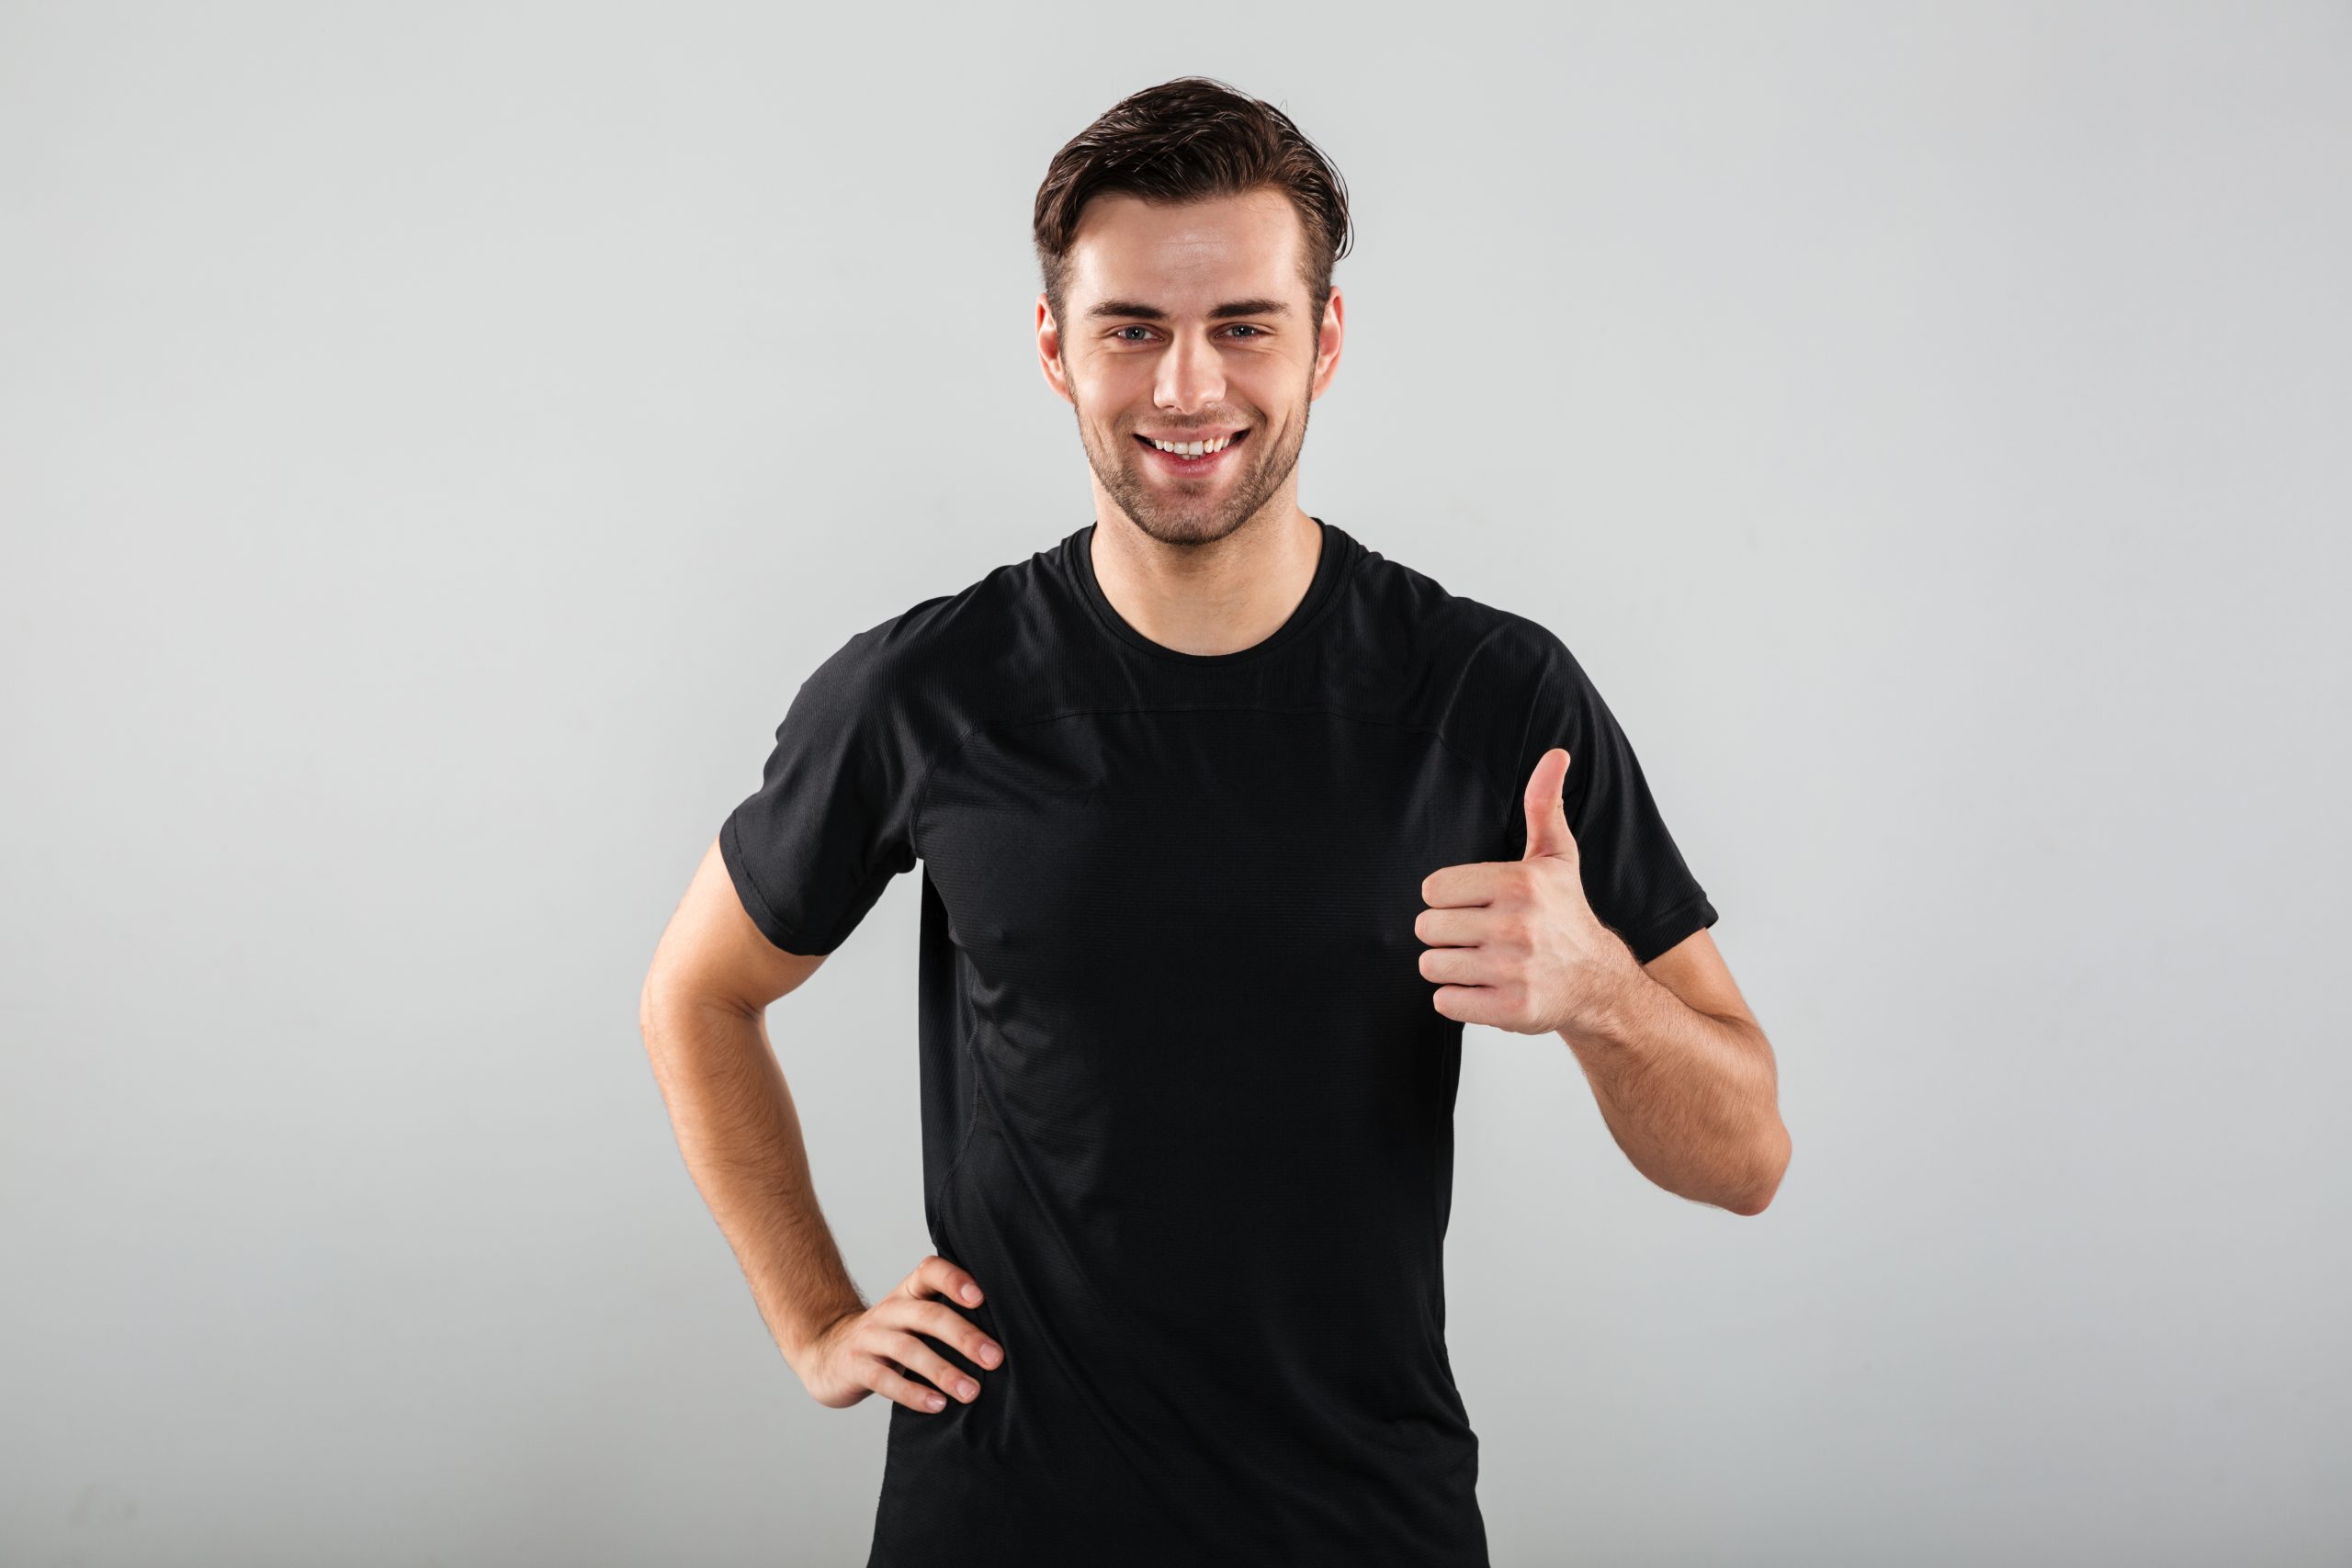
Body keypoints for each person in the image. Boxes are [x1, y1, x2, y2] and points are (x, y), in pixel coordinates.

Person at [639, 74, 1790, 1567]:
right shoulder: (933, 690)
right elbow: (699, 991)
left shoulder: (1489, 698)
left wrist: (1601, 998)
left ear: (1325, 341)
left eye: (1243, 324)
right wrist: (816, 1319)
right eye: (1133, 329)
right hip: (1001, 1521)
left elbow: (1747, 1155)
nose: (1188, 388)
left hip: (1361, 1525)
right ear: (1055, 348)